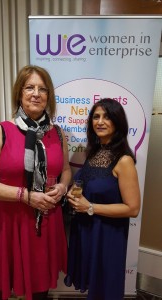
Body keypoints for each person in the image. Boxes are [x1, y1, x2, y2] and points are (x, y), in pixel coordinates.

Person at [0, 65, 71, 300]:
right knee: (0, 289)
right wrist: (26, 196)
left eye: (42, 89)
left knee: (39, 292)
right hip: (9, 221)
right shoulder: (1, 131)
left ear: (49, 96)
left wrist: (63, 186)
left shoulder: (57, 133)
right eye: (30, 87)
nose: (36, 93)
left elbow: (65, 170)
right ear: (20, 93)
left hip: (45, 223)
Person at [64, 98, 141, 300]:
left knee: (106, 291)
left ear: (117, 122)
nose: (100, 121)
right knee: (95, 290)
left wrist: (90, 207)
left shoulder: (123, 160)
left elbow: (133, 209)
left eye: (107, 117)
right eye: (96, 117)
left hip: (108, 236)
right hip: (88, 232)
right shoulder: (95, 153)